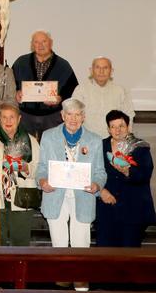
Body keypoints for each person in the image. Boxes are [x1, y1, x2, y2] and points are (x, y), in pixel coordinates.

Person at [36, 98, 105, 279]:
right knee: (58, 245)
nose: (73, 119)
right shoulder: (48, 136)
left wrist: (96, 185)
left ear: (83, 117)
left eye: (77, 115)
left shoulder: (95, 140)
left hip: (83, 196)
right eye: (69, 114)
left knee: (81, 245)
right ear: (62, 115)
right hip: (55, 195)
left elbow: (100, 172)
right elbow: (41, 167)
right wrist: (42, 182)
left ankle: (80, 284)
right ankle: (61, 283)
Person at [0, 101, 41, 246]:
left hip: (22, 200)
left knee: (20, 245)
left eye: (12, 117)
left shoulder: (30, 140)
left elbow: (39, 168)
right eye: (4, 117)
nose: (8, 121)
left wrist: (25, 168)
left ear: (19, 119)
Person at [96, 110, 155, 248]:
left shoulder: (139, 147)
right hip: (107, 209)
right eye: (113, 127)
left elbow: (145, 174)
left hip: (132, 209)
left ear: (128, 127)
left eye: (121, 126)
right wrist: (101, 190)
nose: (117, 130)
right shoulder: (100, 146)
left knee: (130, 253)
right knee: (105, 253)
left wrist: (128, 171)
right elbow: (92, 172)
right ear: (108, 129)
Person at [13, 31, 79, 136]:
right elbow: (11, 83)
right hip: (25, 115)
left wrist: (60, 98)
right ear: (32, 45)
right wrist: (16, 92)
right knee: (25, 144)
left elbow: (73, 89)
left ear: (51, 43)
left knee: (51, 144)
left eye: (44, 41)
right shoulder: (21, 62)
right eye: (36, 42)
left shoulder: (63, 65)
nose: (40, 45)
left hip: (52, 117)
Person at [71, 57, 136, 138]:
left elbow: (129, 115)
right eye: (97, 67)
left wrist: (126, 138)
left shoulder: (120, 91)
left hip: (114, 139)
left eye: (105, 68)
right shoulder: (80, 90)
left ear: (111, 71)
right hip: (87, 139)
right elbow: (73, 116)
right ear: (91, 70)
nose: (101, 71)